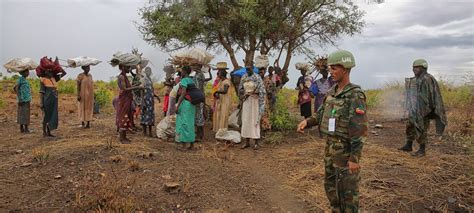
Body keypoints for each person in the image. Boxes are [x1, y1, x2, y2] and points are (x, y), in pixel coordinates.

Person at [297, 50, 368, 212]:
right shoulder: (332, 92)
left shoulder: (355, 95)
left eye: (335, 68)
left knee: (348, 194)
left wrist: (355, 158)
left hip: (345, 152)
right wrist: (307, 122)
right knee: (332, 190)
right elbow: (320, 114)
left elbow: (359, 130)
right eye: (330, 68)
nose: (331, 71)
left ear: (346, 69)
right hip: (330, 149)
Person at [399, 59, 447, 157]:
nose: (415, 69)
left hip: (424, 110)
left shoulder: (428, 79)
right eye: (414, 67)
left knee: (421, 129)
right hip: (413, 109)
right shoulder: (413, 80)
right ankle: (408, 145)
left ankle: (422, 149)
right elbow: (409, 94)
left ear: (423, 68)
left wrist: (431, 109)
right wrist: (406, 106)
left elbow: (434, 95)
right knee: (410, 126)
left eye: (417, 67)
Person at [239, 66, 266, 150]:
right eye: (247, 69)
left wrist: (252, 92)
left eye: (249, 69)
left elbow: (262, 90)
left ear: (253, 69)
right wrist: (243, 93)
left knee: (254, 120)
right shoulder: (244, 77)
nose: (248, 71)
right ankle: (247, 142)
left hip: (254, 101)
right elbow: (240, 88)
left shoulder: (257, 77)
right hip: (246, 101)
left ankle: (256, 142)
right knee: (246, 120)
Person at [117, 65, 142, 143]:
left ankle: (124, 137)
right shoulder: (122, 77)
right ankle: (122, 138)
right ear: (123, 67)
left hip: (126, 100)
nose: (129, 69)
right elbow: (124, 89)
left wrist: (136, 85)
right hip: (124, 100)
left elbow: (128, 87)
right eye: (128, 67)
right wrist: (136, 87)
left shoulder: (124, 76)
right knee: (123, 117)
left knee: (126, 116)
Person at [40, 69, 66, 137]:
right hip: (47, 100)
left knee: (52, 116)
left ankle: (49, 132)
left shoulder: (54, 78)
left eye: (51, 71)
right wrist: (41, 103)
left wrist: (58, 68)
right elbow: (42, 93)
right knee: (46, 116)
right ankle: (44, 132)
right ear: (45, 72)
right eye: (48, 71)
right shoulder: (43, 80)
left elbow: (64, 73)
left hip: (54, 101)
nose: (50, 73)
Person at [175, 66, 197, 150]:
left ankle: (184, 145)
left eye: (182, 71)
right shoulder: (191, 80)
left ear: (184, 71)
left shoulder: (184, 80)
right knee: (190, 123)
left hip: (185, 104)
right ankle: (191, 144)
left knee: (183, 123)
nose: (181, 73)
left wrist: (178, 105)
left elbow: (183, 93)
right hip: (191, 104)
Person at [193, 66, 212, 142]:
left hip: (199, 96)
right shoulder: (196, 74)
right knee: (198, 116)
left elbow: (199, 86)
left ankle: (200, 136)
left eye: (194, 66)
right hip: (198, 96)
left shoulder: (200, 75)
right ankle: (199, 135)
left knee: (200, 115)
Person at [140, 67, 160, 137]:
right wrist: (143, 102)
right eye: (147, 70)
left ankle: (150, 133)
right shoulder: (143, 79)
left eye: (150, 70)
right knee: (144, 115)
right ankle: (144, 132)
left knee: (150, 116)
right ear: (145, 71)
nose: (148, 72)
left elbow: (150, 90)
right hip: (145, 100)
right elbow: (141, 91)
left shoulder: (150, 80)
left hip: (150, 101)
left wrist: (156, 96)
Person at [212, 64, 233, 132]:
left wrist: (216, 92)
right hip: (220, 100)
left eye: (219, 73)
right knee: (219, 115)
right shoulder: (221, 81)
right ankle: (219, 131)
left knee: (223, 116)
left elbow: (225, 91)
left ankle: (222, 131)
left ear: (222, 74)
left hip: (225, 101)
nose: (218, 74)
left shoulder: (226, 82)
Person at [258, 67, 273, 132]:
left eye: (262, 71)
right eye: (260, 71)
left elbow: (269, 91)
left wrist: (269, 94)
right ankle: (258, 129)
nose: (261, 72)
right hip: (257, 99)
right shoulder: (256, 79)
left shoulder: (267, 80)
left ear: (265, 71)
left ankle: (266, 128)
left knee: (265, 114)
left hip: (264, 99)